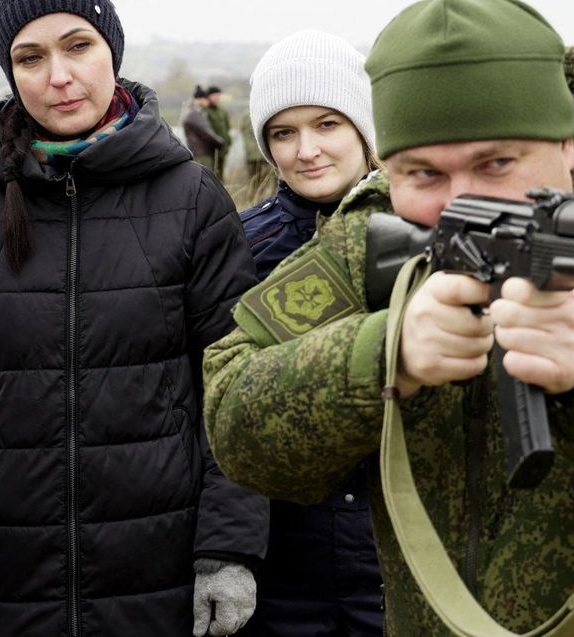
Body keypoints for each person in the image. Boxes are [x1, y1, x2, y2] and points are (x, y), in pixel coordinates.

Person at [203, 0, 574, 635]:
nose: (462, 202)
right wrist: (383, 355)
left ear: (565, 143)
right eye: (424, 173)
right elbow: (233, 419)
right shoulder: (371, 231)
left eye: (496, 164)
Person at [0, 1, 269, 636]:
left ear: (112, 50)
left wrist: (229, 550)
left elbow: (234, 385)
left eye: (77, 45)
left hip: (161, 574)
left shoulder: (191, 199)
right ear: (10, 72)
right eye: (30, 57)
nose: (58, 75)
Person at [234, 30, 383, 636]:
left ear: (365, 129)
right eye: (283, 133)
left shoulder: (425, 235)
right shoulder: (240, 250)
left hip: (398, 554)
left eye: (327, 124)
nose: (306, 150)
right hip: (284, 566)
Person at [182, 84, 226, 175]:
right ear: (201, 100)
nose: (208, 102)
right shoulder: (195, 114)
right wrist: (220, 142)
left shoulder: (194, 112)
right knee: (206, 180)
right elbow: (207, 133)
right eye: (206, 100)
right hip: (201, 154)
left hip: (200, 153)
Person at [205, 86, 231, 180]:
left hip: (223, 148)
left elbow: (227, 128)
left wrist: (228, 143)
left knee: (221, 175)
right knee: (213, 175)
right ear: (209, 96)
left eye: (218, 96)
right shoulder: (206, 112)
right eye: (215, 96)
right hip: (212, 149)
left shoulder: (221, 111)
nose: (217, 98)